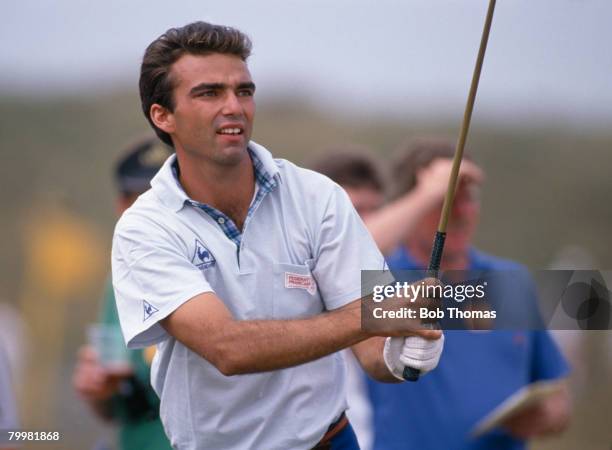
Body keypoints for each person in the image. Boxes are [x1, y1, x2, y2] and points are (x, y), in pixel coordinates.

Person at [111, 21, 444, 450]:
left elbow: (371, 349)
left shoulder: (318, 196)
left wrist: (400, 355)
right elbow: (227, 348)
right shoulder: (145, 227)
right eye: (209, 93)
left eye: (244, 91)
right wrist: (370, 318)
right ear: (163, 116)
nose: (234, 106)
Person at [327, 138, 570, 450]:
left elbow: (558, 398)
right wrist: (429, 191)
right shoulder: (379, 280)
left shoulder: (511, 281)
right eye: (447, 199)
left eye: (470, 198)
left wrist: (549, 414)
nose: (462, 212)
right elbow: (341, 254)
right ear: (412, 203)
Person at [73, 137, 173, 450]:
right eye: (140, 200)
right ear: (121, 208)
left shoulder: (214, 268)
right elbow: (118, 408)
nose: (152, 212)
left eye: (163, 198)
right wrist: (97, 392)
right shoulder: (118, 279)